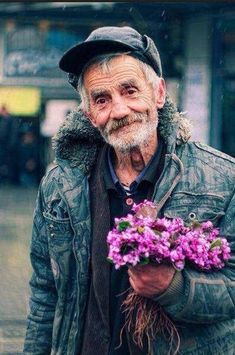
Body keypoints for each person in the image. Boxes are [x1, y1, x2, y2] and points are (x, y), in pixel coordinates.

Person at [23, 26, 235, 355]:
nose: (119, 110)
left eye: (130, 90)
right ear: (90, 114)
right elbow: (45, 294)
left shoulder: (221, 178)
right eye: (102, 99)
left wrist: (175, 288)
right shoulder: (60, 185)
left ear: (159, 94)